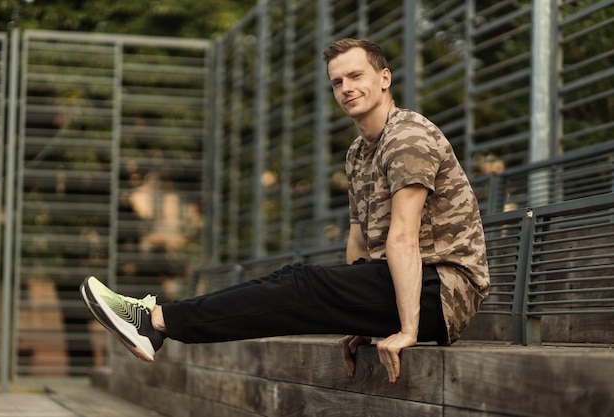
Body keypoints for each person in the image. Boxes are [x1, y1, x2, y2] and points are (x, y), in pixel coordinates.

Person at [80, 38, 490, 384]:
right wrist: (359, 324)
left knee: (302, 285)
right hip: (401, 283)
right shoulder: (357, 154)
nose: (346, 87)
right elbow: (358, 240)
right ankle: (156, 323)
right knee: (293, 279)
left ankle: (156, 320)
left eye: (356, 76)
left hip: (443, 292)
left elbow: (402, 238)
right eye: (337, 81)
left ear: (384, 79)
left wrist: (407, 331)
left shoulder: (408, 136)